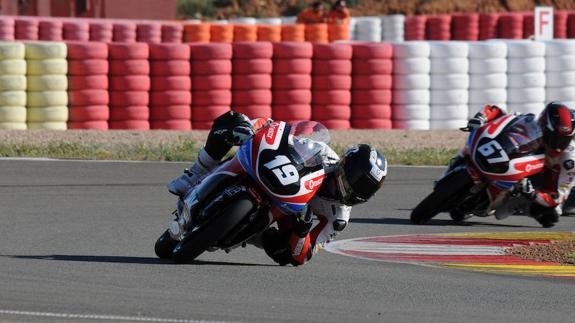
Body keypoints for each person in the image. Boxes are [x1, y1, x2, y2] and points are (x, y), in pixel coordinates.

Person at [168, 111, 387, 265]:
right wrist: (255, 127)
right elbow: (281, 135)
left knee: (285, 255)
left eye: (363, 189)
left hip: (284, 212)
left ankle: (247, 233)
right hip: (276, 175)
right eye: (355, 180)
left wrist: (302, 232)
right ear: (344, 165)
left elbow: (305, 255)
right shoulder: (324, 153)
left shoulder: (337, 219)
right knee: (232, 122)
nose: (352, 190)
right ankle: (196, 173)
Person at [466, 102, 575, 227]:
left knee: (550, 214)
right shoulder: (530, 124)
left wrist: (532, 193)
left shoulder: (569, 160)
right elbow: (500, 114)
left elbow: (557, 196)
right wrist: (481, 117)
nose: (557, 144)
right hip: (526, 166)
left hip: (551, 182)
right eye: (554, 137)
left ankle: (518, 204)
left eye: (563, 139)